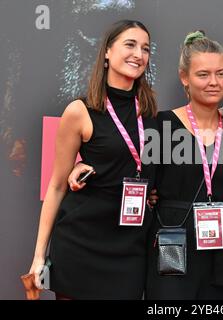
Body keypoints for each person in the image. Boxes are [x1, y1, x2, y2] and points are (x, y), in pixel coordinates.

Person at [28, 20, 158, 299]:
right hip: (80, 242)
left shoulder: (151, 113)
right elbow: (57, 186)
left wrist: (220, 115)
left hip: (130, 245)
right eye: (130, 44)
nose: (139, 54)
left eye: (146, 48)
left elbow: (193, 127)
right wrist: (39, 256)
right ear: (108, 52)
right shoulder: (80, 110)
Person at [144, 31, 223, 300]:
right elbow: (135, 181)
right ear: (184, 77)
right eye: (203, 74)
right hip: (172, 247)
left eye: (220, 74)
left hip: (218, 254)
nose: (214, 82)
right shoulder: (160, 126)